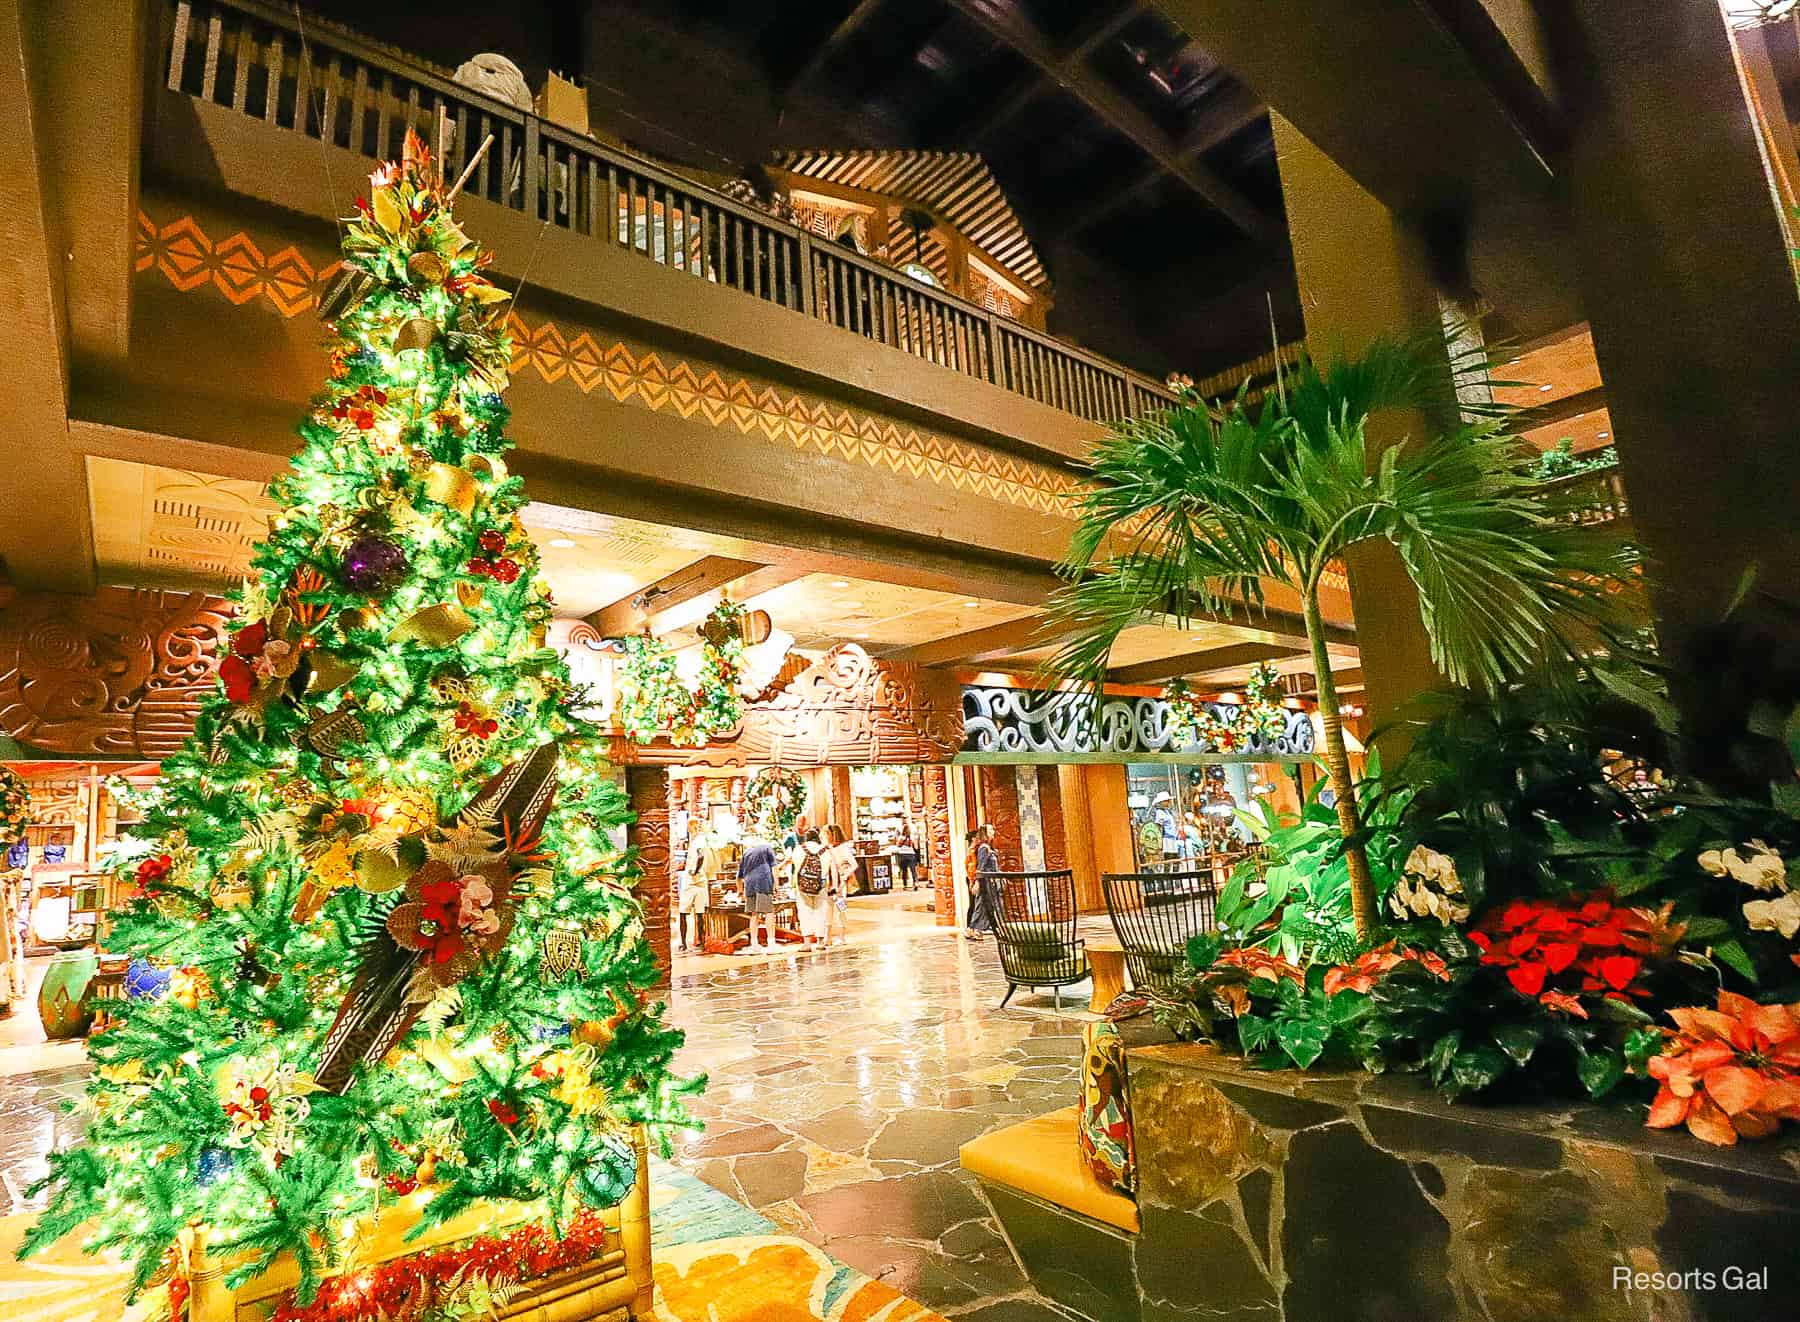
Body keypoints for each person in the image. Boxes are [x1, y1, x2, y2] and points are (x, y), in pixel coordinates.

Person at [676, 819, 715, 954]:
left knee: (685, 912)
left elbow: (700, 856)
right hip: (698, 880)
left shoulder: (699, 840)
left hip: (693, 880)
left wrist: (695, 870)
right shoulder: (699, 841)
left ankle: (685, 942)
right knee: (698, 914)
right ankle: (699, 942)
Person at [738, 835, 778, 953]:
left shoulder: (746, 853)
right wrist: (776, 884)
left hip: (749, 884)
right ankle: (771, 943)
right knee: (769, 912)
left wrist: (740, 891)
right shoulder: (767, 848)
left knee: (754, 914)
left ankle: (754, 944)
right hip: (764, 882)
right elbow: (774, 868)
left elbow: (738, 877)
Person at [793, 828, 833, 946]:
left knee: (805, 912)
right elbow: (828, 867)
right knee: (821, 912)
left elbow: (795, 866)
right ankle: (820, 942)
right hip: (821, 885)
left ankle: (807, 943)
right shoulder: (825, 851)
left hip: (802, 885)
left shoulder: (799, 849)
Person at [824, 823, 855, 947]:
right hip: (829, 884)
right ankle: (828, 937)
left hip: (839, 886)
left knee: (841, 909)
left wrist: (844, 876)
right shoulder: (828, 849)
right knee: (828, 910)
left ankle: (842, 937)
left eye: (826, 834)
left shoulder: (842, 849)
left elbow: (853, 865)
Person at [964, 824, 998, 937]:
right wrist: (977, 882)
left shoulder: (987, 847)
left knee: (985, 905)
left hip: (989, 881)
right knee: (981, 905)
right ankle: (972, 928)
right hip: (985, 882)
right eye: (991, 830)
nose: (993, 832)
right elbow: (981, 867)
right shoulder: (984, 848)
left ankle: (977, 928)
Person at [894, 818, 921, 890]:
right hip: (911, 854)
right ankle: (915, 882)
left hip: (902, 854)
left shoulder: (901, 837)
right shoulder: (912, 837)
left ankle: (905, 884)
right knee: (913, 870)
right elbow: (916, 846)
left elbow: (898, 845)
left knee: (904, 870)